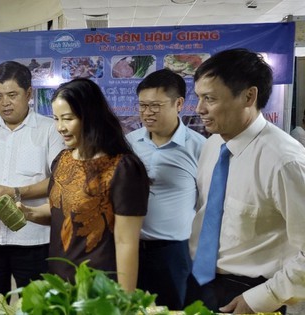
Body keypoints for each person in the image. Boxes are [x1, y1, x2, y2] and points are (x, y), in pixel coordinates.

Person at [187, 48, 305, 314]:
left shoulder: (284, 161)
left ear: (249, 96)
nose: (199, 109)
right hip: (201, 280)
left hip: (251, 292)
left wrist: (266, 297)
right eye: (199, 97)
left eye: (210, 98)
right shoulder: (213, 144)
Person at [18, 78, 150, 292]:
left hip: (99, 288)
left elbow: (127, 243)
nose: (60, 127)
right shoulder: (62, 160)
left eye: (68, 119)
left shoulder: (122, 168)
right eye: (56, 119)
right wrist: (28, 213)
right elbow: (63, 210)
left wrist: (126, 301)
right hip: (60, 282)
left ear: (90, 117)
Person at [0, 61, 65, 295]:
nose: (4, 103)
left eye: (12, 95)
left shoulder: (50, 130)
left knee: (37, 307)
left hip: (35, 239)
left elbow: (60, 181)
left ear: (29, 93)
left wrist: (15, 192)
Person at [125, 69, 205, 308]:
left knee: (172, 309)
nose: (147, 113)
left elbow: (206, 204)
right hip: (130, 247)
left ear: (179, 103)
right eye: (142, 106)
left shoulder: (199, 147)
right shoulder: (129, 143)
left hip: (173, 252)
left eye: (155, 106)